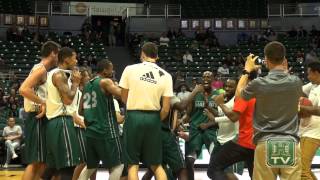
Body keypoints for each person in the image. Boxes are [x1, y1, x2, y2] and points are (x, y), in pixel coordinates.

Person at [237, 41, 303, 180]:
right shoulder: (296, 82)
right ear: (285, 60)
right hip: (289, 143)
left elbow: (239, 95)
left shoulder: (258, 83)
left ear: (266, 60)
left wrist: (247, 70)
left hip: (266, 143)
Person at [119, 42, 173, 180]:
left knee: (132, 164)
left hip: (133, 116)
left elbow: (123, 97)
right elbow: (166, 109)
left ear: (142, 53)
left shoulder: (130, 69)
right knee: (156, 165)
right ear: (157, 56)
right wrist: (154, 120)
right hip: (154, 118)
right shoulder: (166, 76)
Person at [19, 41, 60, 180]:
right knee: (35, 162)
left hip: (40, 118)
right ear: (53, 53)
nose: (58, 58)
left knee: (42, 162)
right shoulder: (40, 69)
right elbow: (23, 89)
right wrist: (43, 102)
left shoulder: (44, 70)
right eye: (58, 54)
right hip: (36, 117)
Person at [78, 59, 124, 180]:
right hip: (107, 131)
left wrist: (94, 112)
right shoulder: (105, 82)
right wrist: (122, 87)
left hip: (91, 132)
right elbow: (121, 94)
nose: (112, 71)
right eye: (111, 69)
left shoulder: (87, 85)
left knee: (90, 167)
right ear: (104, 70)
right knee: (119, 165)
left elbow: (80, 110)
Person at [207, 75, 256, 180]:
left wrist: (219, 106)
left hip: (240, 139)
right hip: (256, 141)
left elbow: (233, 117)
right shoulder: (261, 93)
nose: (227, 88)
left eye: (231, 86)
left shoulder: (242, 95)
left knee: (215, 169)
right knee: (254, 175)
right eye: (226, 86)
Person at [45, 47, 82, 179]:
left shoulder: (57, 73)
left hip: (55, 123)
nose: (76, 60)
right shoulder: (59, 74)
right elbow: (67, 100)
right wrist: (76, 83)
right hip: (62, 122)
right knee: (69, 165)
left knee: (53, 167)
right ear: (66, 59)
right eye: (74, 57)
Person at [184, 71, 220, 180]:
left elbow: (221, 117)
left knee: (216, 159)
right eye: (204, 76)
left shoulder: (218, 94)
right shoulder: (196, 93)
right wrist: (181, 121)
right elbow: (188, 113)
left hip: (211, 130)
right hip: (195, 130)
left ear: (213, 79)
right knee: (189, 161)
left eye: (209, 76)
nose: (206, 78)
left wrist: (208, 124)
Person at [299, 61, 320, 180]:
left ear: (316, 73)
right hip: (307, 132)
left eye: (309, 74)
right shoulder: (313, 85)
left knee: (302, 171)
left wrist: (300, 107)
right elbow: (299, 89)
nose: (307, 77)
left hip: (314, 134)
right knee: (304, 169)